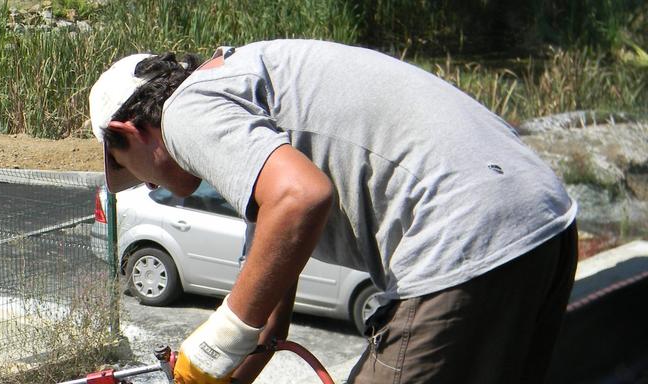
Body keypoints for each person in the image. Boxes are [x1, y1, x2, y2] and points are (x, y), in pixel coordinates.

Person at [87, 39, 578, 384]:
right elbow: (270, 315)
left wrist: (213, 345)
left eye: (132, 170)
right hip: (543, 220)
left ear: (127, 132)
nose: (148, 184)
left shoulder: (185, 111)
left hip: (464, 234)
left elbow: (301, 198)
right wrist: (224, 373)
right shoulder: (250, 84)